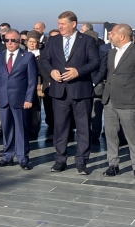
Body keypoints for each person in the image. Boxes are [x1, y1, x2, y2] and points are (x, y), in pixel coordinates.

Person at [40, 11, 100, 174]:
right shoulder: (52, 40)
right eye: (59, 24)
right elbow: (44, 60)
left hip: (81, 91)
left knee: (83, 128)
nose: (60, 27)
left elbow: (95, 61)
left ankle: (81, 161)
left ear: (73, 24)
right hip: (59, 92)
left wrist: (78, 71)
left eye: (63, 24)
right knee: (60, 127)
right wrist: (51, 71)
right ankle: (60, 160)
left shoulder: (87, 40)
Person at [0, 30, 38, 170]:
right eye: (6, 40)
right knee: (7, 129)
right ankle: (7, 156)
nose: (9, 43)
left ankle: (23, 158)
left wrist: (29, 99)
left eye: (13, 40)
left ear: (19, 41)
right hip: (2, 98)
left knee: (21, 129)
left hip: (20, 99)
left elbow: (32, 81)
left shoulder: (27, 57)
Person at [102, 24, 135, 176]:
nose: (110, 36)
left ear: (121, 36)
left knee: (132, 136)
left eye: (112, 33)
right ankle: (113, 164)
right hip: (109, 100)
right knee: (110, 134)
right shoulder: (111, 53)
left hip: (128, 101)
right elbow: (111, 74)